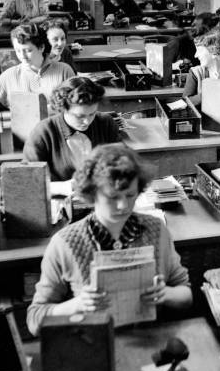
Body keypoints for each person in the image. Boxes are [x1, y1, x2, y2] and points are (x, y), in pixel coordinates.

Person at [26, 144, 192, 336]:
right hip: (91, 347)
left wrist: (167, 295)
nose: (122, 205)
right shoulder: (64, 243)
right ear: (92, 193)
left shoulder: (156, 230)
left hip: (149, 342)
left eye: (130, 195)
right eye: (112, 197)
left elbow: (186, 294)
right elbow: (35, 321)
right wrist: (77, 305)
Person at [23, 77, 122, 181]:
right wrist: (62, 188)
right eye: (79, 116)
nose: (87, 121)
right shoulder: (43, 131)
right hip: (58, 195)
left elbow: (120, 162)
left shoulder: (106, 122)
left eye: (92, 114)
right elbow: (29, 179)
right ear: (63, 108)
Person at [0, 24, 75, 116]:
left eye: (28, 50)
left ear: (41, 47)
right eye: (18, 51)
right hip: (23, 133)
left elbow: (76, 103)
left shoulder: (64, 71)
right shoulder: (9, 75)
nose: (22, 56)